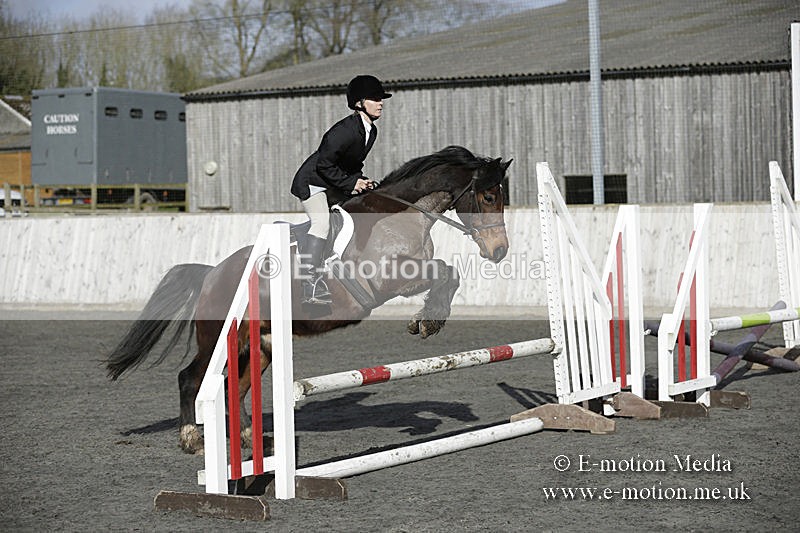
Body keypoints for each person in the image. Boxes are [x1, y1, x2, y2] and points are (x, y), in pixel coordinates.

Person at [290, 74, 391, 305]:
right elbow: (324, 164)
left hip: (332, 182)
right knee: (321, 223)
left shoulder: (370, 131)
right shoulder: (343, 131)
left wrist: (361, 181)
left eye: (381, 98)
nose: (381, 102)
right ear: (359, 103)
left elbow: (352, 165)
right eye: (375, 99)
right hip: (312, 183)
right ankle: (310, 283)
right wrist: (350, 183)